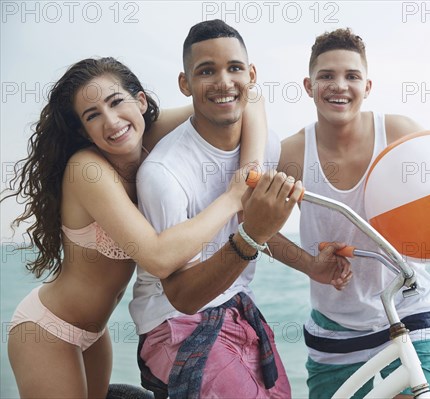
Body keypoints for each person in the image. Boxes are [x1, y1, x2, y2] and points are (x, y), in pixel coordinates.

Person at [3, 56, 272, 398]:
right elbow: (159, 258)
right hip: (48, 332)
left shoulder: (145, 134)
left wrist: (251, 170)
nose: (112, 122)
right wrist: (235, 198)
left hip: (95, 334)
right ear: (83, 131)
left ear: (140, 101)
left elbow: (249, 97)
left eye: (116, 103)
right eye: (93, 115)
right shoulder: (87, 169)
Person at [278, 28, 430, 399]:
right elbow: (253, 230)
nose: (339, 85)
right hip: (335, 328)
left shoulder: (398, 133)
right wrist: (309, 265)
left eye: (352, 76)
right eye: (326, 75)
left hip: (408, 309)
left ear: (368, 85)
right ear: (309, 86)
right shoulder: (293, 152)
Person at [131, 19, 351, 399]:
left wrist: (312, 266)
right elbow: (182, 294)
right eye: (206, 71)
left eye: (234, 68)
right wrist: (251, 235)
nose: (223, 82)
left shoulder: (264, 145)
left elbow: (255, 225)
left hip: (236, 309)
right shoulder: (164, 174)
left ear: (251, 76)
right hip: (172, 324)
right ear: (185, 84)